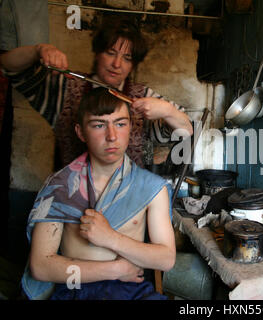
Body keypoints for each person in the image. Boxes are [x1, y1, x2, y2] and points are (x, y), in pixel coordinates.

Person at [22, 87, 176, 300]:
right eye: (98, 125)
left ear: (130, 127)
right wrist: (116, 270)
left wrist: (110, 238)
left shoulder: (151, 187)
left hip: (132, 292)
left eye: (120, 124)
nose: (112, 136)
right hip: (76, 289)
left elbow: (166, 259)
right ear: (80, 132)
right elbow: (41, 267)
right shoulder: (59, 187)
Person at [0, 17, 193, 168]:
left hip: (128, 203)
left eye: (126, 58)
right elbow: (8, 67)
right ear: (97, 53)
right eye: (110, 53)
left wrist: (168, 110)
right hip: (73, 200)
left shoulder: (142, 96)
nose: (117, 64)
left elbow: (187, 131)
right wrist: (38, 50)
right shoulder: (65, 87)